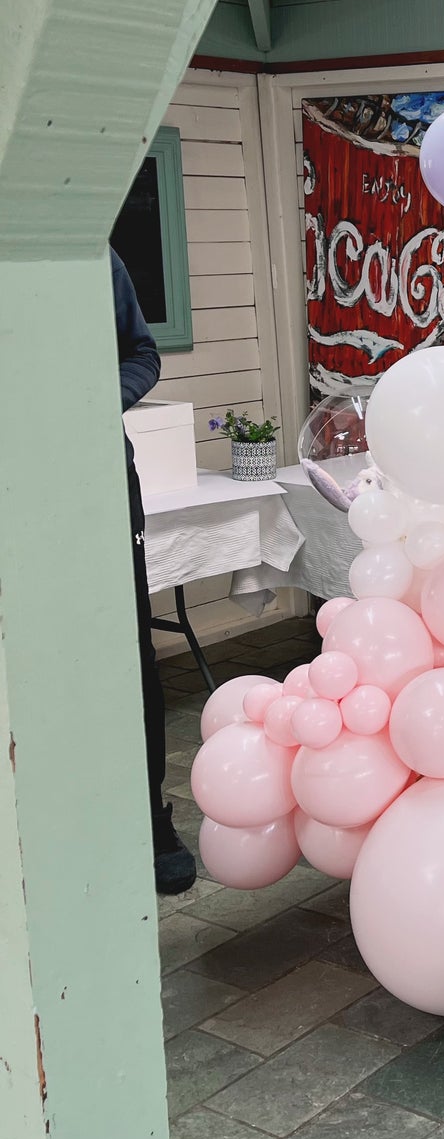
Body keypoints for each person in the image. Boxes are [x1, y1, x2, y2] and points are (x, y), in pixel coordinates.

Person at [112, 247, 197, 893]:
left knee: (129, 663)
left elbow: (141, 352)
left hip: (102, 488)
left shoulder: (91, 252)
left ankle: (148, 821)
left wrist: (90, 399)